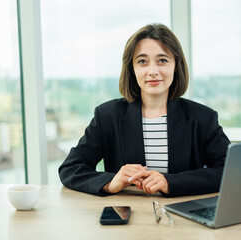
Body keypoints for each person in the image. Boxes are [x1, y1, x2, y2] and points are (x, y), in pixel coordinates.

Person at [58, 23, 230, 197]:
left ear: (175, 66)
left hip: (183, 214)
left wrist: (170, 182)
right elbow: (70, 168)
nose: (153, 71)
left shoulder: (202, 117)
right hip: (127, 214)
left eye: (162, 60)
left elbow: (229, 171)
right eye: (142, 61)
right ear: (132, 69)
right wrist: (111, 182)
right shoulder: (107, 115)